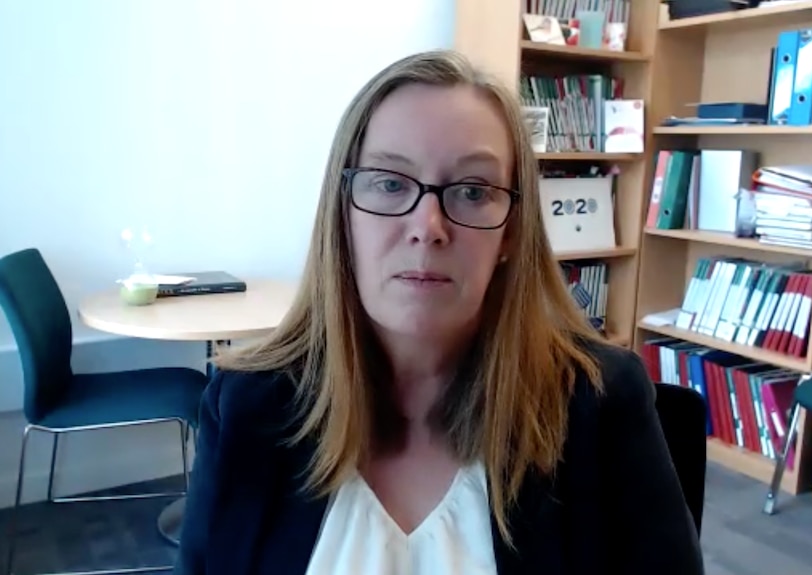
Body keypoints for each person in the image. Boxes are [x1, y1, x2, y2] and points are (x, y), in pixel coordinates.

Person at [175, 50, 704, 575]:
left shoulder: (599, 405)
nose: (428, 226)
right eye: (389, 183)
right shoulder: (247, 406)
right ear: (343, 215)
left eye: (473, 191)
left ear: (511, 232)